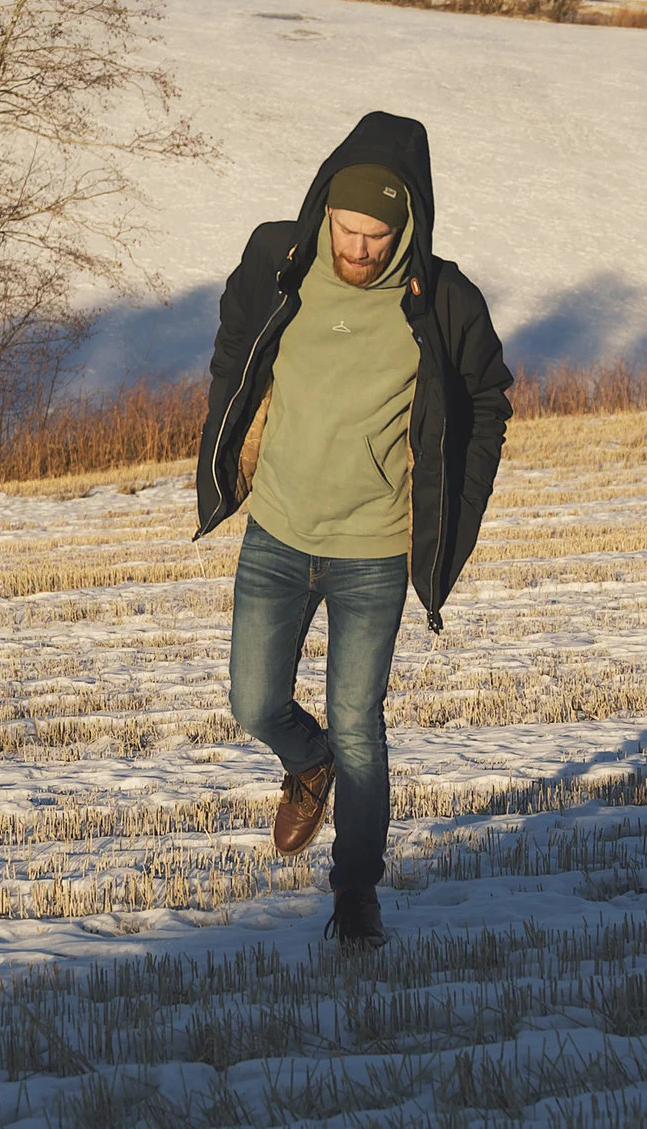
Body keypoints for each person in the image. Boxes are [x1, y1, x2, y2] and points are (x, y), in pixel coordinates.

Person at [193, 110, 513, 948]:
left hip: (371, 548)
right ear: (325, 209)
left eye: (378, 236)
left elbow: (487, 401)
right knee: (252, 702)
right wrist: (230, 429)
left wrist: (455, 509)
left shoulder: (443, 301)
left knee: (360, 728)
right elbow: (236, 343)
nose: (361, 249)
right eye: (348, 229)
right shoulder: (278, 260)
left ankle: (357, 893)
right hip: (278, 532)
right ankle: (308, 762)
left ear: (407, 227)